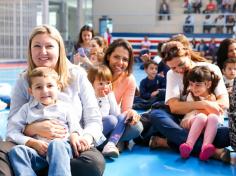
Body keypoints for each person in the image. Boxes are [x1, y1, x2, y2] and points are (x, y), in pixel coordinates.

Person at [0, 24, 105, 176]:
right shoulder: (24, 80)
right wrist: (32, 130)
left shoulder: (77, 75)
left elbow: (94, 120)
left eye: (49, 46)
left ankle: (43, 169)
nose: (43, 52)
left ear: (59, 49)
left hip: (68, 145)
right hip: (32, 146)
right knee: (5, 152)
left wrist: (83, 138)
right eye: (37, 46)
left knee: (92, 165)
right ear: (30, 50)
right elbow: (13, 125)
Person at [148, 41, 230, 160]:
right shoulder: (171, 74)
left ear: (187, 54)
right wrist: (204, 104)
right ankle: (213, 152)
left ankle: (168, 143)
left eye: (181, 64)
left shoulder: (211, 69)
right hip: (187, 123)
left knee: (228, 135)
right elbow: (174, 107)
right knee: (156, 115)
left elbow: (224, 102)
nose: (179, 70)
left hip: (211, 125)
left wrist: (198, 110)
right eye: (173, 67)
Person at [7, 67, 86, 175]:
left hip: (61, 150)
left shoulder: (65, 108)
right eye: (39, 87)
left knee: (56, 144)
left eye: (50, 86)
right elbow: (12, 132)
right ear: (31, 91)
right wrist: (32, 142)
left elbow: (75, 126)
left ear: (58, 88)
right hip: (38, 153)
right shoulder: (26, 109)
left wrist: (75, 134)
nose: (45, 91)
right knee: (16, 151)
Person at [103, 38, 143, 149]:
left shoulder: (129, 79)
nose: (120, 63)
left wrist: (132, 113)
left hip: (115, 118)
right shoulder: (97, 73)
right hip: (96, 120)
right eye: (116, 57)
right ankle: (113, 141)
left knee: (136, 127)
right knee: (111, 121)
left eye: (125, 59)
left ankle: (108, 142)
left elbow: (125, 110)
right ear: (108, 56)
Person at [179, 66, 223, 161]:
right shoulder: (191, 96)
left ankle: (206, 147)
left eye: (198, 85)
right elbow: (190, 113)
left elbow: (217, 113)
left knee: (213, 117)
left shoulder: (212, 97)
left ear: (208, 84)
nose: (194, 88)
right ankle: (188, 145)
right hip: (193, 122)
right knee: (202, 116)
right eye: (191, 84)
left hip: (207, 126)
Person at [88, 64, 128, 158]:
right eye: (101, 83)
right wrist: (97, 96)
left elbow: (116, 114)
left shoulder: (107, 96)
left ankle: (110, 144)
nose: (105, 86)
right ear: (91, 83)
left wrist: (110, 95)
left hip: (105, 131)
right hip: (94, 129)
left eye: (108, 83)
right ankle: (95, 143)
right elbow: (93, 117)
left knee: (123, 116)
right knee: (111, 120)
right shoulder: (89, 96)